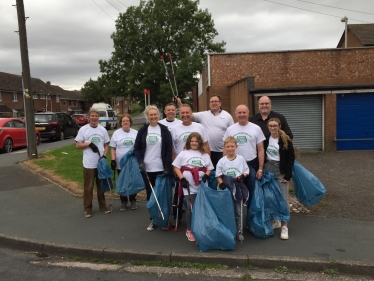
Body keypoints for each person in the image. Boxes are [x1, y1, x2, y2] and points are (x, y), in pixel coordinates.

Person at [133, 105, 173, 231]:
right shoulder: (143, 131)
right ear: (147, 116)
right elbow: (137, 148)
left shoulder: (164, 130)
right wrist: (140, 162)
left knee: (162, 194)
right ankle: (153, 220)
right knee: (151, 195)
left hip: (161, 168)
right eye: (151, 115)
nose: (153, 117)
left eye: (155, 114)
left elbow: (168, 150)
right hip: (147, 169)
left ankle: (163, 218)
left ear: (159, 115)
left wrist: (167, 166)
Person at [170, 104, 210, 226]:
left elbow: (207, 146)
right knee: (180, 195)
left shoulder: (199, 127)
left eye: (187, 112)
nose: (185, 115)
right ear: (179, 114)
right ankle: (179, 218)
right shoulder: (175, 129)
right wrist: (174, 168)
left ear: (191, 113)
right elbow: (172, 149)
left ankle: (199, 221)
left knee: (198, 198)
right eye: (182, 113)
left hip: (199, 166)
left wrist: (207, 165)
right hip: (181, 167)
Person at [172, 132, 214, 242]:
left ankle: (200, 227)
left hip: (201, 185)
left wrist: (206, 175)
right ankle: (189, 229)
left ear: (199, 142)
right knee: (190, 208)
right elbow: (176, 167)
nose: (194, 143)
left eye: (196, 141)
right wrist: (182, 179)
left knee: (201, 207)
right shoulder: (183, 153)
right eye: (192, 141)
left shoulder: (204, 154)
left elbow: (209, 168)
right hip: (188, 186)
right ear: (189, 142)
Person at [223, 105, 265, 206]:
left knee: (251, 192)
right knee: (233, 192)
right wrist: (224, 165)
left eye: (244, 112)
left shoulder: (256, 128)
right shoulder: (230, 129)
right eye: (239, 113)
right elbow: (225, 148)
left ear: (248, 113)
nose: (242, 115)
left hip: (251, 164)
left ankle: (250, 218)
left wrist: (260, 169)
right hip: (234, 164)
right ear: (235, 114)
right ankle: (236, 218)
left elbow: (261, 149)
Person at [178, 95, 233, 169]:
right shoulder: (203, 115)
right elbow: (187, 114)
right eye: (212, 102)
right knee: (208, 171)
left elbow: (232, 133)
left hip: (222, 151)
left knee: (222, 172)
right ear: (209, 104)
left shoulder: (227, 116)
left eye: (216, 101)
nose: (214, 103)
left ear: (220, 103)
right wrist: (180, 104)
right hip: (206, 151)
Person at [75, 107, 111, 218]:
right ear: (89, 117)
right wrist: (88, 144)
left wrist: (104, 154)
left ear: (98, 117)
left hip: (100, 163)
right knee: (88, 187)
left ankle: (103, 206)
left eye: (96, 116)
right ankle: (87, 209)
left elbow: (106, 144)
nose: (94, 118)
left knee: (101, 186)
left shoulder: (102, 130)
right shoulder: (83, 130)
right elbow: (77, 145)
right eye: (92, 116)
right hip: (89, 164)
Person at [264, 118, 295, 240]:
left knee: (283, 198)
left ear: (279, 126)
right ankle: (275, 220)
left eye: (275, 125)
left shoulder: (285, 140)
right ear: (268, 127)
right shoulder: (266, 139)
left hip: (281, 171)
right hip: (268, 168)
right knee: (270, 197)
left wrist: (288, 175)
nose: (272, 128)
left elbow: (291, 158)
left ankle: (285, 226)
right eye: (270, 125)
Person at [216, 136, 249, 241]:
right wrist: (221, 184)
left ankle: (239, 231)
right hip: (225, 187)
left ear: (236, 146)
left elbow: (246, 170)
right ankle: (226, 230)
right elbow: (218, 175)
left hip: (237, 186)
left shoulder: (241, 159)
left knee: (238, 210)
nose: (230, 148)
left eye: (232, 146)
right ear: (224, 147)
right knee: (225, 209)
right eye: (228, 147)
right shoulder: (222, 161)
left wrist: (243, 176)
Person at [109, 114, 138, 211]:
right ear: (121, 123)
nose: (125, 122)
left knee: (132, 181)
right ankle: (123, 201)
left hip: (132, 162)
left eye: (127, 120)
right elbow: (113, 148)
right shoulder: (116, 133)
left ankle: (133, 200)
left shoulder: (135, 133)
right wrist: (113, 160)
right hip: (120, 163)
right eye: (123, 121)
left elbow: (139, 148)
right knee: (122, 182)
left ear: (130, 122)